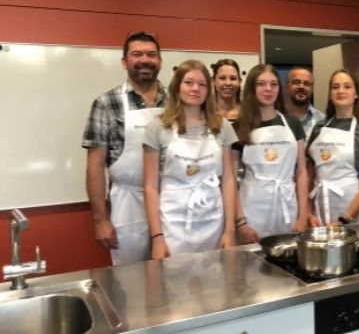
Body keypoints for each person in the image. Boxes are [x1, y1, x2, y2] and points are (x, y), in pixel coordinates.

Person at [82, 31, 166, 265]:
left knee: (176, 275)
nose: (145, 60)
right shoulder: (106, 103)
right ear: (124, 61)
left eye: (151, 54)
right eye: (137, 54)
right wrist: (100, 220)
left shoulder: (175, 102)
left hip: (172, 200)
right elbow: (95, 166)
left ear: (160, 60)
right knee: (132, 281)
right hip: (129, 204)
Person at [143, 59, 238, 259]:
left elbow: (228, 180)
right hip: (173, 223)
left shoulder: (222, 126)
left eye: (202, 84)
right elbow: (150, 187)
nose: (195, 89)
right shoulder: (157, 127)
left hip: (213, 221)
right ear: (177, 86)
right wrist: (157, 237)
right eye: (189, 82)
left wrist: (229, 231)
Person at [233, 64, 310, 243]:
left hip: (287, 207)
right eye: (261, 84)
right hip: (252, 208)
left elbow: (301, 172)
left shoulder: (292, 123)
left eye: (273, 84)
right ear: (252, 88)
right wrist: (240, 222)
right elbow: (230, 179)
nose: (268, 89)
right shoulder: (239, 127)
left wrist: (302, 216)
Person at [307, 69, 359, 224]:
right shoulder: (318, 128)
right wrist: (308, 212)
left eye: (347, 86)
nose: (341, 91)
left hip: (352, 212)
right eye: (335, 87)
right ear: (330, 94)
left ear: (356, 94)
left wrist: (345, 218)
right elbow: (309, 174)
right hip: (319, 210)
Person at [285, 66, 324, 139]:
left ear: (312, 89)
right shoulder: (277, 117)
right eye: (296, 82)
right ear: (287, 86)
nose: (301, 86)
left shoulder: (322, 120)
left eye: (306, 83)